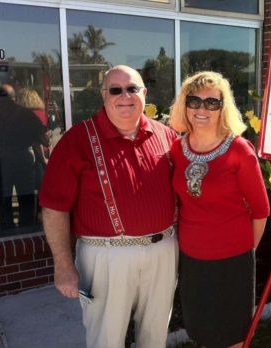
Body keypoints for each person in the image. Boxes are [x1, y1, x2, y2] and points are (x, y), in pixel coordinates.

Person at [39, 65, 178, 348]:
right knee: (106, 338)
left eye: (132, 89)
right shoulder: (76, 141)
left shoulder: (167, 136)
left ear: (145, 94)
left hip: (163, 250)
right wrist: (63, 265)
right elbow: (54, 207)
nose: (124, 96)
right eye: (115, 89)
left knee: (155, 335)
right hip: (105, 257)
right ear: (104, 95)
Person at [169, 71, 270, 348]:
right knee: (201, 332)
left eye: (212, 103)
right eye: (194, 101)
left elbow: (261, 211)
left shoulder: (240, 150)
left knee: (232, 338)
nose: (202, 109)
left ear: (222, 108)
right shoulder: (177, 149)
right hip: (191, 260)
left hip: (232, 262)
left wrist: (245, 253)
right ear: (185, 105)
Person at [0, 84, 48, 230]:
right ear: (14, 98)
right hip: (22, 156)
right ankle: (26, 227)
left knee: (2, 197)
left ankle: (7, 228)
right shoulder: (25, 114)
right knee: (26, 196)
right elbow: (42, 139)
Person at [16, 88, 51, 220]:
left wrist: (42, 160)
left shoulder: (24, 116)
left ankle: (30, 218)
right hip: (41, 156)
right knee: (40, 190)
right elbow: (43, 138)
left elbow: (37, 141)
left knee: (30, 191)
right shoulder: (40, 114)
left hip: (35, 157)